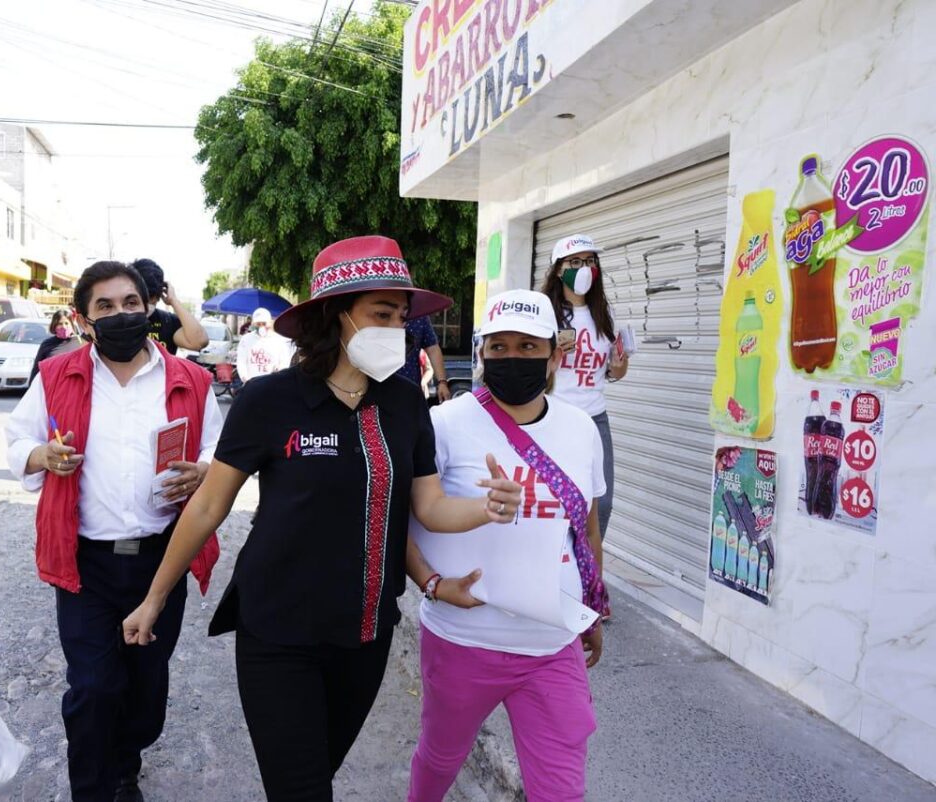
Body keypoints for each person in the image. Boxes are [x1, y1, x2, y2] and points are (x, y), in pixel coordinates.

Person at [121, 236, 522, 801]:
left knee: (313, 778)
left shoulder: (407, 407)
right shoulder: (269, 401)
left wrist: (486, 509)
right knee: (304, 792)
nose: (397, 328)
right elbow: (210, 505)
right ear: (337, 316)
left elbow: (424, 507)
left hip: (365, 636)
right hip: (278, 633)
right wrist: (155, 597)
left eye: (402, 316)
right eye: (381, 314)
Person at [4, 261, 223, 802]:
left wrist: (203, 471)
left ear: (149, 308)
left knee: (145, 685)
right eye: (105, 307)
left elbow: (221, 452)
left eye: (130, 303)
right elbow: (15, 441)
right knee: (94, 687)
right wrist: (41, 455)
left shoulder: (190, 380)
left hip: (161, 559)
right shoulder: (57, 376)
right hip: (86, 564)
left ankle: (127, 760)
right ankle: (94, 787)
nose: (120, 314)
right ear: (84, 319)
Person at [406, 289, 608, 802]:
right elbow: (401, 522)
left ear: (553, 357)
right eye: (498, 347)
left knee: (561, 790)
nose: (511, 358)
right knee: (440, 759)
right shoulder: (445, 424)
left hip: (550, 644)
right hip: (461, 641)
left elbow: (585, 527)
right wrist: (430, 583)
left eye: (526, 347)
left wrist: (592, 607)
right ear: (481, 354)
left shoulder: (581, 429)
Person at [541, 234, 629, 541]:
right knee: (554, 499)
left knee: (601, 502)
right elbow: (535, 372)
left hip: (595, 418)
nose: (585, 268)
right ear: (558, 269)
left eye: (590, 262)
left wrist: (619, 361)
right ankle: (556, 560)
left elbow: (614, 371)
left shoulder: (603, 313)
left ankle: (587, 569)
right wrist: (553, 354)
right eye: (575, 262)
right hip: (555, 417)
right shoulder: (546, 314)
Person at [131, 258, 208, 355]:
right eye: (140, 300)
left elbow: (199, 342)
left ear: (159, 297)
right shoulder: (118, 319)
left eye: (151, 301)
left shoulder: (168, 322)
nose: (145, 308)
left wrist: (174, 301)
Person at [398, 315, 451, 402]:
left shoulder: (419, 316)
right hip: (376, 392)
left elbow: (433, 349)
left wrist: (442, 382)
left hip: (410, 391)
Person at [30, 308, 85, 384]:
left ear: (71, 324)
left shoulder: (81, 342)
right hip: (53, 386)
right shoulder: (47, 344)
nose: (64, 327)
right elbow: (36, 370)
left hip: (75, 386)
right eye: (60, 324)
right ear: (54, 326)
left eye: (66, 323)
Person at [235, 307, 288, 383]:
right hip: (251, 383)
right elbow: (241, 361)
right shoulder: (246, 339)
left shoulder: (279, 340)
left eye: (264, 323)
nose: (261, 326)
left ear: (269, 323)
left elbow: (284, 361)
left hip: (272, 384)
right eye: (258, 324)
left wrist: (279, 372)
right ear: (253, 324)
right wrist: (245, 378)